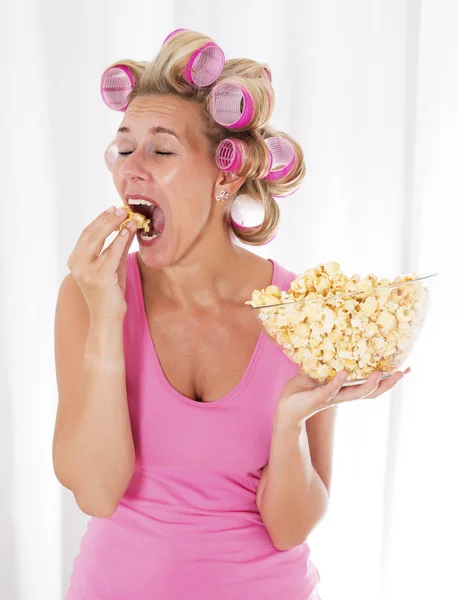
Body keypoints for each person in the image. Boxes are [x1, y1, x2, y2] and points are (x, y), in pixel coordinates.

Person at [52, 29, 410, 600]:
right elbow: (95, 492)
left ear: (227, 175)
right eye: (124, 148)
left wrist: (290, 424)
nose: (131, 170)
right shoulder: (89, 296)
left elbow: (290, 526)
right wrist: (103, 321)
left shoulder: (303, 310)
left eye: (161, 150)